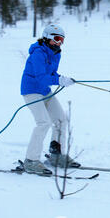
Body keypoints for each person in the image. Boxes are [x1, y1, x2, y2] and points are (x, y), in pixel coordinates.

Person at [20, 24, 76, 175]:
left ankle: (56, 155)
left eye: (62, 40)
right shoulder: (38, 53)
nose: (59, 43)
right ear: (47, 37)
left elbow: (50, 74)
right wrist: (59, 81)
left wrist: (63, 79)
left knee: (61, 119)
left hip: (44, 91)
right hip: (31, 90)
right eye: (56, 39)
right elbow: (41, 77)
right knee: (43, 122)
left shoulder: (56, 53)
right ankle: (31, 161)